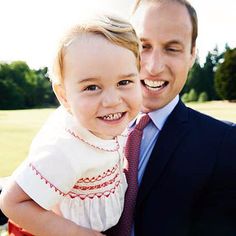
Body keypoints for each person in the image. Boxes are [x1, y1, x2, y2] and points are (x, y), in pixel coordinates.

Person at [0, 14, 142, 236]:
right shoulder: (66, 148)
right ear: (64, 96)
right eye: (92, 87)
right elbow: (12, 203)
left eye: (124, 82)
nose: (113, 100)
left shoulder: (104, 121)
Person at [126, 0, 236, 236]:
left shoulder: (225, 145)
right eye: (143, 46)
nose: (154, 66)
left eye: (172, 48)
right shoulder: (81, 127)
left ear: (192, 54)